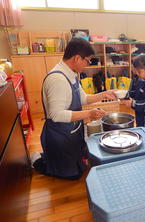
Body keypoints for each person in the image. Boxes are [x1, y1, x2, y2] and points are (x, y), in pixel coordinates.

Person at [31, 38, 116, 180]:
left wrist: (103, 94)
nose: (88, 64)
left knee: (80, 164)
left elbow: (83, 98)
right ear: (77, 58)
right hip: (59, 134)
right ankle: (37, 161)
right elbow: (57, 115)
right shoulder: (57, 79)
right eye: (87, 60)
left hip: (72, 130)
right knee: (73, 175)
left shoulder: (71, 73)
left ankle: (51, 158)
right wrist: (89, 113)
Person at [125, 54, 145, 128]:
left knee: (144, 128)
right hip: (138, 110)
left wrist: (133, 103)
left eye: (139, 72)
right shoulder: (140, 80)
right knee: (139, 126)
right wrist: (127, 94)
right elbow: (136, 92)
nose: (137, 73)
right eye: (136, 71)